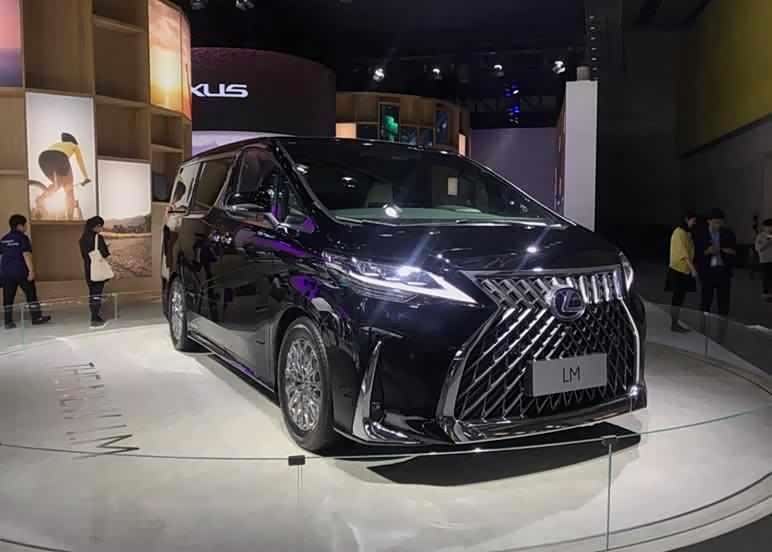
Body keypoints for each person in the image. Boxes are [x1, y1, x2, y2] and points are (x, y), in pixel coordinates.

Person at [1, 214, 51, 329]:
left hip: (7, 273)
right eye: (25, 225)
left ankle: (8, 322)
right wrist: (31, 271)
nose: (26, 227)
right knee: (31, 295)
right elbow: (26, 254)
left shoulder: (4, 239)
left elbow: (1, 256)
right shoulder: (23, 238)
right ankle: (36, 317)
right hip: (22, 271)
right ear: (19, 226)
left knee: (8, 298)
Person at [34, 133, 92, 221]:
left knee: (57, 184)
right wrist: (86, 177)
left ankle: (41, 198)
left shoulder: (57, 144)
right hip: (60, 157)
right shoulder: (74, 145)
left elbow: (52, 155)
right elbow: (80, 162)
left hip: (43, 158)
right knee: (69, 189)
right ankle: (70, 219)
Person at [695, 208, 737, 316]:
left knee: (724, 300)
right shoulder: (700, 234)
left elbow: (734, 251)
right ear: (708, 221)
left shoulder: (728, 233)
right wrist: (706, 252)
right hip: (707, 271)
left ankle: (723, 322)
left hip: (723, 271)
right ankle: (703, 321)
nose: (718, 225)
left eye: (720, 222)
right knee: (706, 299)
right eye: (715, 222)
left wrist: (721, 250)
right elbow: (695, 253)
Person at [666, 211, 698, 332]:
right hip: (678, 270)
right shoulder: (679, 232)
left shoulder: (686, 233)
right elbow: (683, 253)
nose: (694, 223)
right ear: (686, 219)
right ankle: (674, 324)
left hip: (684, 270)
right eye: (693, 220)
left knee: (679, 298)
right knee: (677, 299)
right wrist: (693, 269)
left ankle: (675, 323)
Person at [79, 216, 111, 328]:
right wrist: (106, 247)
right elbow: (105, 254)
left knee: (92, 293)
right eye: (100, 226)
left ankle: (94, 315)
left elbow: (84, 255)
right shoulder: (98, 238)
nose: (101, 228)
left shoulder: (83, 239)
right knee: (97, 293)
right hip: (97, 270)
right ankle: (95, 318)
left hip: (88, 269)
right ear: (96, 226)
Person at [756, 218, 772, 301]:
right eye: (768, 226)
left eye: (771, 227)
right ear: (764, 227)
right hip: (765, 260)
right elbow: (758, 248)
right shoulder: (760, 236)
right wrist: (768, 242)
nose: (770, 228)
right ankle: (766, 293)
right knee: (766, 277)